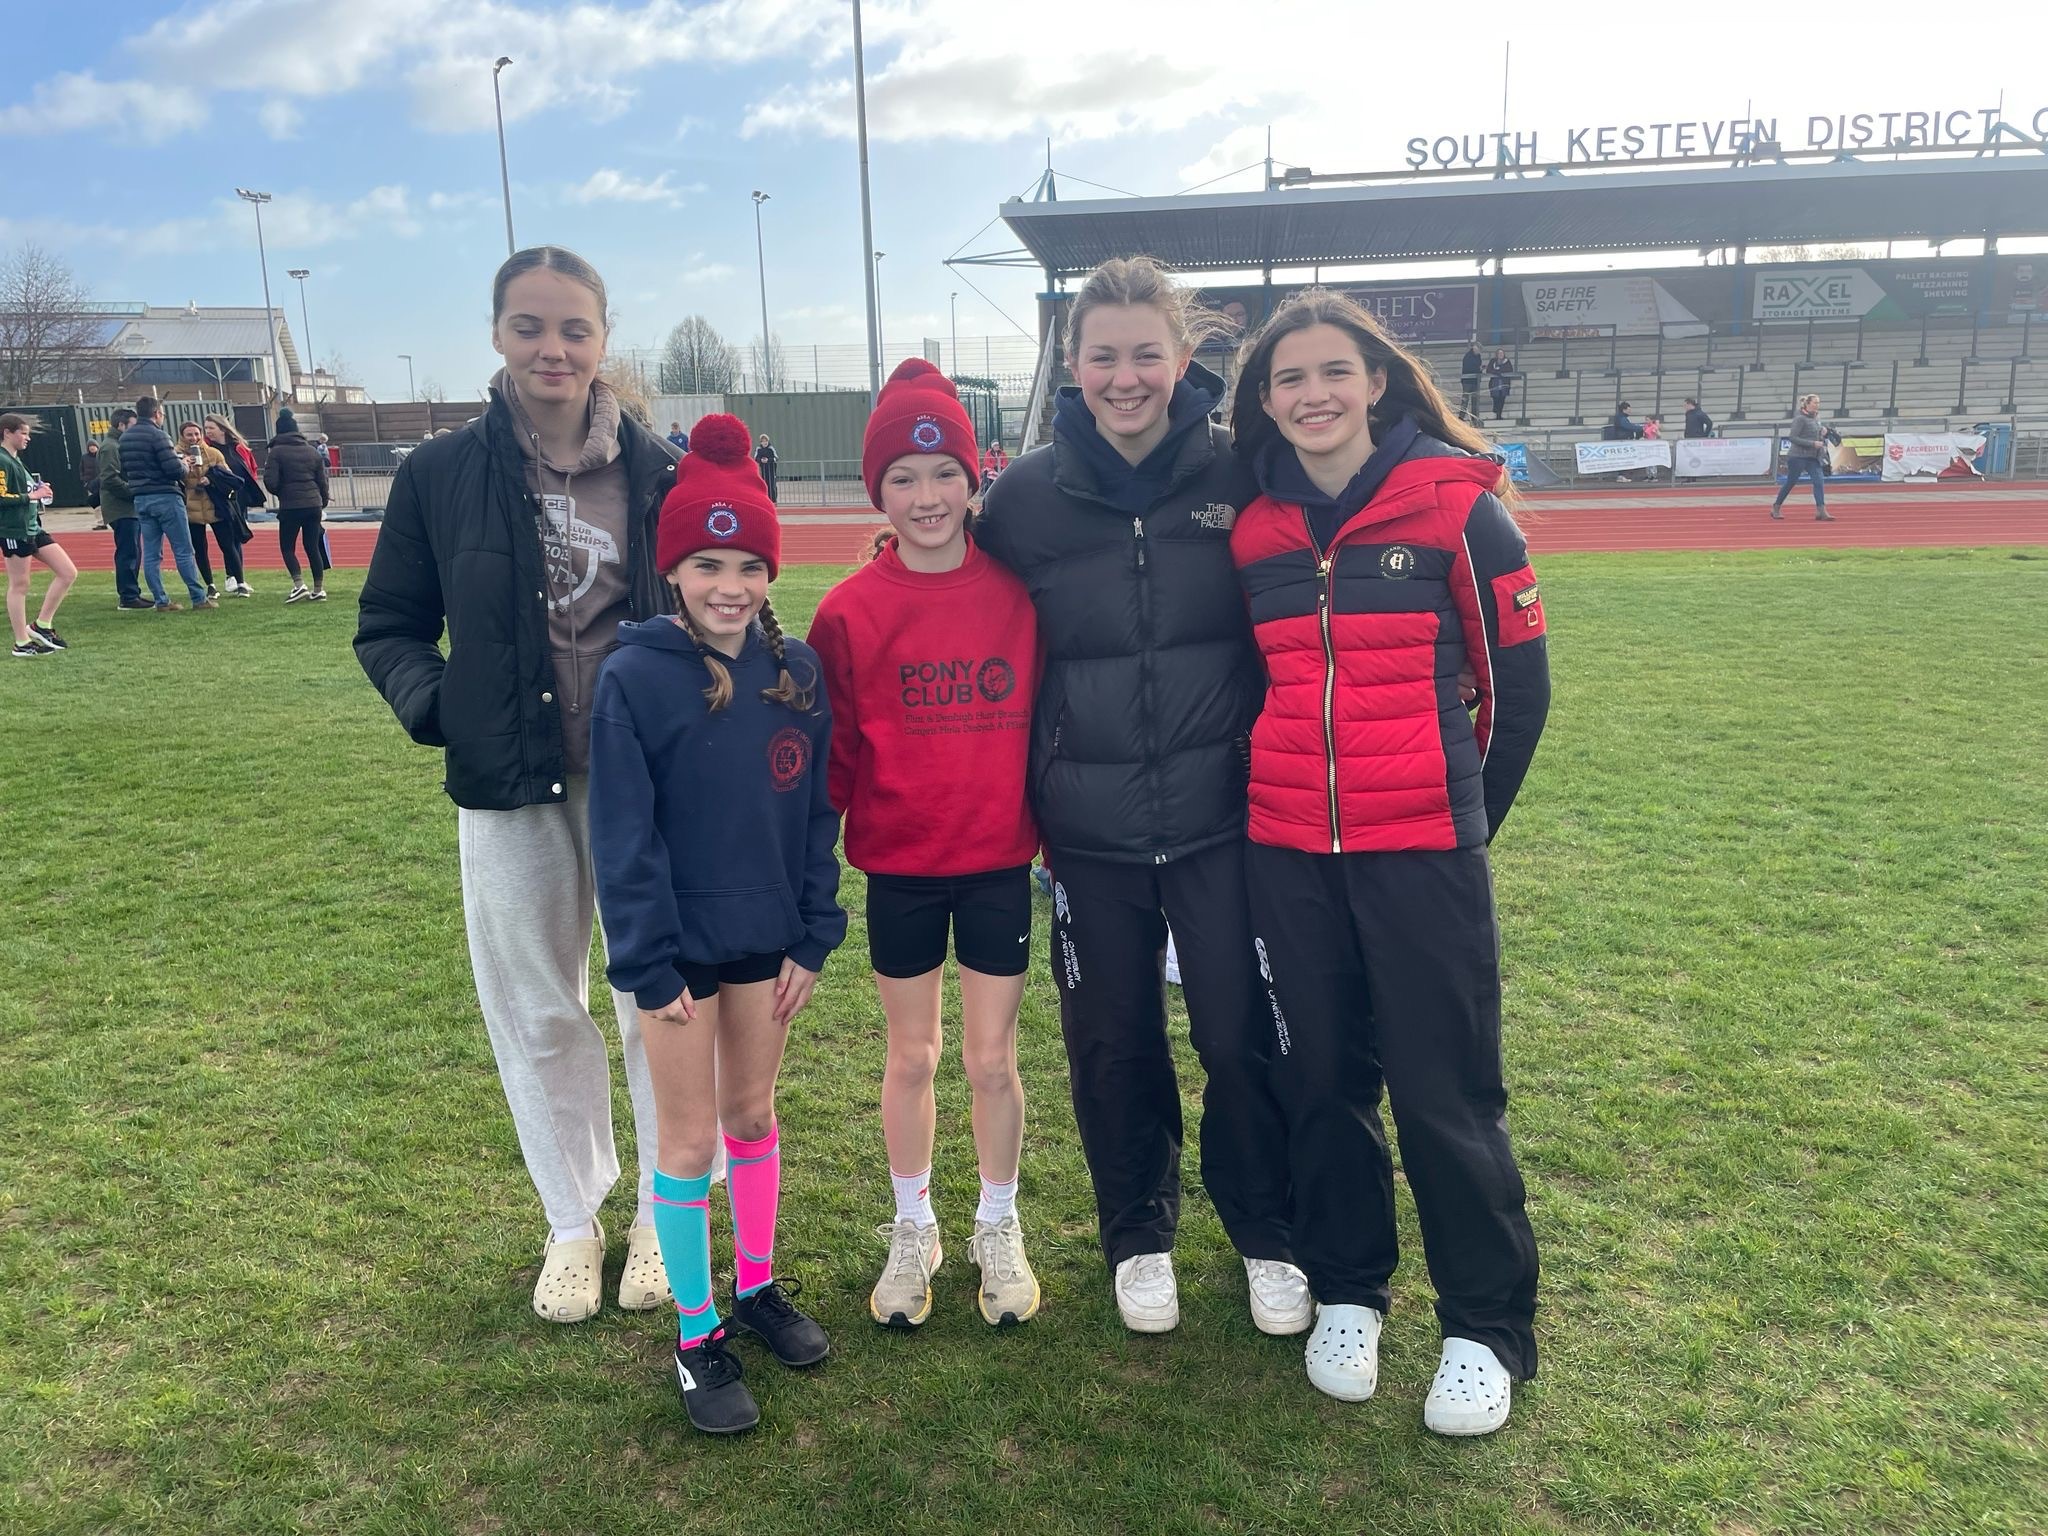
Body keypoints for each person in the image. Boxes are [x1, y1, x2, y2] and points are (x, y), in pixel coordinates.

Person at [1227, 288, 1549, 1435]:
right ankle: (1349, 1289)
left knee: (1442, 1092)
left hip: (1422, 857)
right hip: (1287, 857)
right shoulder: (1252, 528)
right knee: (1320, 1081)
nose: (1311, 393)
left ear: (1374, 381)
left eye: (1332, 372)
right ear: (1265, 402)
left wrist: (1458, 825)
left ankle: (1483, 1327)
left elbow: (1518, 696)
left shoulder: (1462, 510)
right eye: (1288, 378)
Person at [977, 255, 1307, 1338]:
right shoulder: (1023, 498)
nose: (1125, 378)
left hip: (1226, 818)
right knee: (1113, 1045)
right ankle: (1138, 1237)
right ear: (1072, 363)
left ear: (1183, 357)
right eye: (1103, 356)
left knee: (1239, 1035)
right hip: (1088, 830)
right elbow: (968, 611)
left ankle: (1266, 1232)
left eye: (1145, 355)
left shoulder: (1241, 473)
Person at [355, 246, 685, 1327]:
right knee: (537, 1007)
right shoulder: (439, 473)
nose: (553, 348)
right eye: (530, 326)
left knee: (659, 1003)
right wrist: (445, 709)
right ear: (498, 334)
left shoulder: (663, 472)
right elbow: (389, 625)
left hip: (645, 783)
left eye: (574, 328)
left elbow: (720, 608)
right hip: (508, 781)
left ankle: (666, 1212)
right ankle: (571, 1219)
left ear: (603, 340)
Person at [589, 411, 843, 1435]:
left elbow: (817, 816)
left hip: (766, 943)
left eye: (747, 565)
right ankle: (696, 1337)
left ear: (769, 570)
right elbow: (623, 839)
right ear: (672, 570)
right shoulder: (633, 677)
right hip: (676, 958)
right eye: (706, 564)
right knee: (689, 1140)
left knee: (750, 1115)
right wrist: (648, 967)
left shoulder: (798, 675)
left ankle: (756, 1287)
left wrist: (812, 934)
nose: (728, 585)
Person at [807, 361, 1043, 1331]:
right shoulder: (847, 610)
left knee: (990, 1060)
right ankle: (914, 1227)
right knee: (911, 1056)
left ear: (973, 477)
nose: (926, 495)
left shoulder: (1020, 595)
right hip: (900, 868)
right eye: (902, 477)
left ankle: (998, 1223)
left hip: (996, 864)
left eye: (943, 471)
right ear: (879, 491)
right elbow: (833, 759)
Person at [122, 397, 213, 611]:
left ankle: (161, 600)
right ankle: (198, 597)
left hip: (141, 498)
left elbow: (125, 470)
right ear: (156, 414)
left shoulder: (125, 438)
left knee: (151, 553)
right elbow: (174, 470)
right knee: (183, 549)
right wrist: (184, 464)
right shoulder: (159, 435)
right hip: (165, 496)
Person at [1, 413, 74, 657]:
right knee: (19, 585)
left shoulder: (15, 460)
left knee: (67, 572)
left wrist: (39, 490)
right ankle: (21, 642)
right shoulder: (2, 460)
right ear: (7, 433)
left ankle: (41, 625)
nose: (27, 438)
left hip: (32, 527)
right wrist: (31, 496)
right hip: (14, 530)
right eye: (23, 433)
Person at [266, 408, 332, 602]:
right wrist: (322, 501)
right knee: (312, 546)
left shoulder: (276, 452)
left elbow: (271, 482)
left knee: (287, 547)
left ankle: (298, 584)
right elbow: (323, 481)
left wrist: (282, 492)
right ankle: (319, 589)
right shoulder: (312, 451)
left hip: (290, 506)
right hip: (313, 504)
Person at [175, 420, 243, 600]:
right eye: (189, 434)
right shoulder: (175, 455)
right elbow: (172, 479)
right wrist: (183, 466)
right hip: (191, 508)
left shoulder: (213, 453)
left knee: (228, 545)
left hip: (215, 505)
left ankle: (240, 582)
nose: (194, 438)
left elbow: (229, 477)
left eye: (196, 434)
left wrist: (211, 479)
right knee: (199, 549)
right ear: (182, 436)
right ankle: (210, 586)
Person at [204, 414, 264, 598]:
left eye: (211, 428)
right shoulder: (207, 449)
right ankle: (232, 576)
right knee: (228, 538)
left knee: (238, 536)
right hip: (220, 499)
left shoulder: (239, 448)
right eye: (206, 428)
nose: (207, 431)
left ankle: (237, 577)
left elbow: (250, 470)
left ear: (222, 429)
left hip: (240, 498)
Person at [96, 409, 150, 610]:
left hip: (127, 507)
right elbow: (109, 479)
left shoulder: (118, 444)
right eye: (133, 426)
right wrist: (135, 492)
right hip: (121, 508)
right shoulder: (110, 447)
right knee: (128, 551)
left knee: (133, 550)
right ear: (121, 425)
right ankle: (128, 596)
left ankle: (132, 593)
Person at [1772, 394, 1835, 521]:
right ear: (1807, 404)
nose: (1817, 405)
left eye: (1818, 403)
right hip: (1798, 456)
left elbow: (1815, 434)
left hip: (1813, 457)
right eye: (1815, 403)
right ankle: (1776, 506)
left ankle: (1821, 510)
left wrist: (1823, 433)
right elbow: (1793, 437)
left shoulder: (1816, 418)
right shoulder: (1800, 419)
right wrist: (1812, 443)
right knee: (1791, 482)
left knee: (1819, 481)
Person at [1486, 347, 1514, 421]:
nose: (1501, 354)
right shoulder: (1493, 361)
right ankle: (1496, 411)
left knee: (1502, 399)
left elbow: (1509, 370)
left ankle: (1499, 414)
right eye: (1499, 353)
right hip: (1494, 383)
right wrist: (1496, 371)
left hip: (1504, 383)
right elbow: (1489, 370)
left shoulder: (1507, 361)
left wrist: (1499, 370)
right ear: (1497, 354)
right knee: (1496, 398)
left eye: (1502, 353)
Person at [1459, 340, 1483, 422]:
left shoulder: (1478, 357)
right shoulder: (1468, 356)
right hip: (1467, 381)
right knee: (1465, 400)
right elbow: (1468, 368)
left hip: (1475, 381)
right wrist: (1478, 369)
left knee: (1475, 401)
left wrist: (1480, 369)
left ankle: (1474, 417)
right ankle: (1461, 417)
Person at [753, 433, 778, 503]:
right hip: (763, 470)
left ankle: (773, 500)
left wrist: (768, 460)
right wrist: (761, 460)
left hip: (771, 469)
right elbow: (756, 458)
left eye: (766, 441)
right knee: (764, 484)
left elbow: (776, 458)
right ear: (761, 442)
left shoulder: (771, 448)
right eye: (763, 441)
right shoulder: (758, 449)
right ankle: (765, 499)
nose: (765, 442)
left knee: (772, 484)